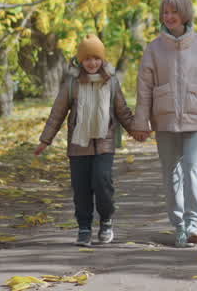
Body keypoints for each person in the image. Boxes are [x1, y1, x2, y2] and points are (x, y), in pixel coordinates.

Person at [130, 0, 197, 248]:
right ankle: (178, 227)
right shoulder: (154, 48)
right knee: (171, 174)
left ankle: (193, 224)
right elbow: (144, 88)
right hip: (164, 120)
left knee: (193, 168)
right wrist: (141, 121)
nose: (168, 17)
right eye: (164, 13)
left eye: (173, 12)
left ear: (184, 14)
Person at [36, 34, 135, 247]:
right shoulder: (72, 84)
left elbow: (123, 111)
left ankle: (106, 221)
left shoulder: (111, 82)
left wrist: (137, 131)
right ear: (81, 60)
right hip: (78, 146)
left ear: (102, 59)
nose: (92, 63)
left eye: (96, 58)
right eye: (87, 59)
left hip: (104, 143)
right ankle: (84, 228)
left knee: (102, 182)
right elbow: (57, 113)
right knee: (81, 190)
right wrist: (46, 140)